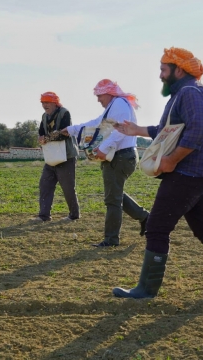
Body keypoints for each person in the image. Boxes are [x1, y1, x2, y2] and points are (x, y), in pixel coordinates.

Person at [111, 47, 203, 298]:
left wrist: (172, 160)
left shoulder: (189, 92)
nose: (161, 75)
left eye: (164, 69)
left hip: (187, 174)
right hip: (200, 175)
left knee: (156, 227)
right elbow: (167, 130)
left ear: (179, 70)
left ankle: (146, 290)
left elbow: (199, 131)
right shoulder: (185, 93)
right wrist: (135, 130)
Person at [61, 80, 149, 247]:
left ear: (109, 93)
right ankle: (145, 218)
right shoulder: (115, 105)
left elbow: (120, 130)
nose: (98, 99)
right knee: (115, 194)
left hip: (120, 157)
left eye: (99, 95)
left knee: (112, 200)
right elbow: (96, 123)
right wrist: (72, 129)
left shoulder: (119, 105)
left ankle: (111, 240)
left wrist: (103, 147)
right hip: (122, 156)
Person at [32, 92, 81, 222]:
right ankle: (44, 216)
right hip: (51, 156)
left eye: (47, 102)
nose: (44, 105)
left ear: (55, 103)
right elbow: (41, 132)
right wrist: (41, 138)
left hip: (67, 155)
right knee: (45, 184)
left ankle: (74, 215)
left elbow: (64, 133)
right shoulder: (44, 116)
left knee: (68, 187)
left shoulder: (65, 113)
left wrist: (46, 138)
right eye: (42, 102)